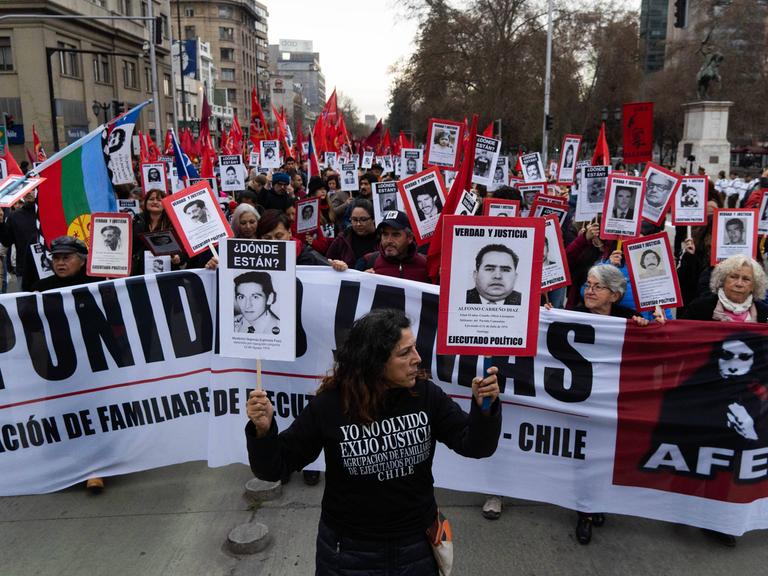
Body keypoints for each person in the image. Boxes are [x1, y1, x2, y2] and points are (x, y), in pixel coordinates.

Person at [245, 309, 501, 574]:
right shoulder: (330, 406)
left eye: (414, 348)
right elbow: (275, 467)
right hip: (349, 553)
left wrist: (485, 410)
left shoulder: (425, 395)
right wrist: (263, 433)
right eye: (405, 353)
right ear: (374, 362)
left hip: (417, 546)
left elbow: (475, 445)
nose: (417, 359)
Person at [567, 264, 659, 544]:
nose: (589, 291)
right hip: (581, 401)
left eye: (597, 287)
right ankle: (585, 512)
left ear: (615, 295)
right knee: (584, 456)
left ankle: (599, 503)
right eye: (587, 284)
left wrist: (649, 327)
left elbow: (651, 352)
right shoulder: (572, 315)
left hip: (612, 403)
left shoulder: (628, 319)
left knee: (605, 457)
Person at [357, 211, 430, 283]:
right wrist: (361, 281)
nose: (389, 240)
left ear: (410, 238)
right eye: (385, 234)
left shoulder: (427, 265)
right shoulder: (367, 261)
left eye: (396, 235)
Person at [326, 199, 378, 267]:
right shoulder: (343, 238)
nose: (358, 224)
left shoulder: (382, 239)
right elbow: (328, 261)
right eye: (354, 219)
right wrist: (337, 264)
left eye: (363, 219)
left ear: (373, 219)